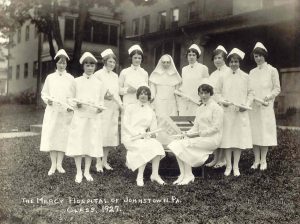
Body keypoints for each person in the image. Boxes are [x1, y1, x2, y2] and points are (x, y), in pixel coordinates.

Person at [168, 82, 224, 185]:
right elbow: (195, 127)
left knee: (184, 145)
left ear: (211, 94)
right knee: (176, 144)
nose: (203, 96)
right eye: (201, 93)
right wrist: (185, 133)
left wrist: (198, 134)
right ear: (198, 94)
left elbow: (216, 128)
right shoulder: (200, 109)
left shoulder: (217, 108)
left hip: (212, 139)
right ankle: (183, 174)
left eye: (206, 93)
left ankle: (189, 175)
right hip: (201, 137)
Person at [66, 52, 104, 183]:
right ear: (83, 66)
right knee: (78, 144)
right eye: (87, 65)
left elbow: (101, 101)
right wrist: (77, 103)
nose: (89, 67)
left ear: (95, 67)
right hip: (80, 117)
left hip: (92, 118)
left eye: (92, 65)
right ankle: (78, 172)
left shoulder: (99, 83)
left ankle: (87, 171)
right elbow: (69, 99)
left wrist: (99, 108)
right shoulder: (76, 81)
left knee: (90, 144)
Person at [215, 48, 254, 177]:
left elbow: (251, 93)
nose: (233, 64)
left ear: (239, 62)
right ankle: (228, 166)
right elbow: (217, 92)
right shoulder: (223, 76)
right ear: (229, 62)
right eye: (231, 61)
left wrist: (246, 105)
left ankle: (236, 166)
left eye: (236, 61)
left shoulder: (245, 76)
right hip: (227, 112)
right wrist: (222, 101)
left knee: (237, 140)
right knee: (227, 140)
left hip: (240, 112)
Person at [123, 86, 166, 187]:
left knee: (157, 145)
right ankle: (140, 176)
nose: (143, 96)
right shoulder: (130, 107)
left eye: (146, 94)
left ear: (149, 97)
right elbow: (126, 124)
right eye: (141, 93)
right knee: (144, 147)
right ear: (138, 95)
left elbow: (154, 128)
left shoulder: (150, 111)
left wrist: (154, 134)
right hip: (130, 136)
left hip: (144, 136)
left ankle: (155, 174)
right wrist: (137, 134)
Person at [40, 49, 74, 176]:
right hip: (52, 111)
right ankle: (53, 164)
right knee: (52, 136)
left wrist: (71, 106)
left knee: (62, 136)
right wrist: (47, 100)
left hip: (65, 112)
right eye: (60, 62)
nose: (62, 65)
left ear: (66, 64)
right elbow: (44, 93)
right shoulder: (50, 78)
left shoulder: (70, 78)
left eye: (64, 63)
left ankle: (60, 164)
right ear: (56, 64)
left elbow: (73, 96)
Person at [248, 42, 281, 171]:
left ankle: (263, 160)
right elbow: (249, 90)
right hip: (255, 107)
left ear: (264, 56)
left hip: (266, 106)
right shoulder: (252, 72)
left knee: (264, 133)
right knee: (255, 133)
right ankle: (256, 160)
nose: (258, 58)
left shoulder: (272, 70)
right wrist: (253, 99)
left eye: (260, 55)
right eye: (256, 56)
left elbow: (277, 88)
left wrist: (268, 97)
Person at [94, 49, 122, 172]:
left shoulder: (116, 76)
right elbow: (94, 92)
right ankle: (98, 162)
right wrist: (104, 96)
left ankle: (105, 161)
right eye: (110, 61)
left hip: (113, 109)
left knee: (109, 136)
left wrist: (120, 105)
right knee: (101, 135)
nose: (112, 64)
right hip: (102, 108)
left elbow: (116, 93)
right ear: (104, 62)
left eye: (113, 62)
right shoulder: (98, 74)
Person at [206, 45, 230, 169]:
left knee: (223, 133)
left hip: (224, 106)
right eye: (215, 58)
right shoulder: (213, 74)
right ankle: (216, 158)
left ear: (224, 58)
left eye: (220, 58)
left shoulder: (229, 71)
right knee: (215, 132)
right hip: (213, 107)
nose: (217, 60)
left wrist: (223, 101)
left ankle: (223, 159)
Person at [178, 44, 209, 116]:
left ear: (197, 56)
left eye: (194, 55)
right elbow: (184, 84)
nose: (191, 57)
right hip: (185, 100)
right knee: (185, 122)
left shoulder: (203, 68)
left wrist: (203, 98)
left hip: (197, 100)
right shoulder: (184, 69)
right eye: (189, 55)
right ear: (187, 56)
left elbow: (206, 85)